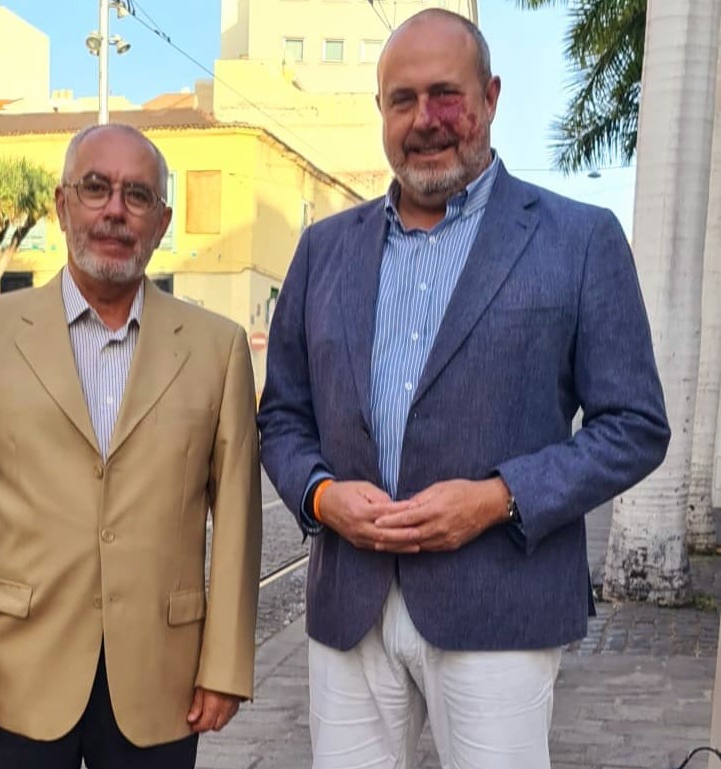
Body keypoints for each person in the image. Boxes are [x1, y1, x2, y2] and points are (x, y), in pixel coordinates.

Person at [257, 9, 670, 769]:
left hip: (500, 600)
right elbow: (282, 415)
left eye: (445, 95)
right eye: (402, 99)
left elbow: (634, 424)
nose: (425, 120)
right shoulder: (323, 250)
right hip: (349, 602)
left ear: (490, 96)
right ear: (380, 111)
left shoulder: (579, 239)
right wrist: (320, 496)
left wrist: (497, 497)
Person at [0, 123, 262, 769]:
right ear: (61, 204)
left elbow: (239, 519)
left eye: (137, 195)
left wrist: (225, 664)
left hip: (162, 677)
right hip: (17, 672)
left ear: (161, 221)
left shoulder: (217, 347)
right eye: (96, 188)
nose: (114, 209)